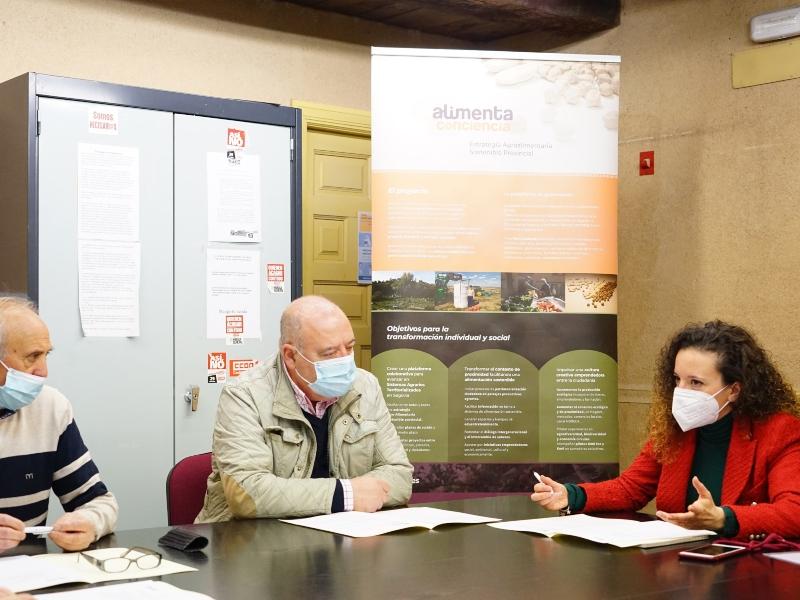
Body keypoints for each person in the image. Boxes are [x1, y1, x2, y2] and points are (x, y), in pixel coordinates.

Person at [531, 320, 800, 540]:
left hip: (747, 570)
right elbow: (631, 489)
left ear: (734, 390)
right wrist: (571, 495)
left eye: (695, 383)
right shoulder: (676, 427)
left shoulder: (780, 431)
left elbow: (794, 512)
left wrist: (723, 518)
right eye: (677, 379)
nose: (681, 392)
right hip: (679, 565)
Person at [197, 295, 413, 521]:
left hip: (341, 533)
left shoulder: (366, 386)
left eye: (349, 347)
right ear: (290, 356)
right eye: (330, 353)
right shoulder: (244, 395)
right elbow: (247, 493)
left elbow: (400, 476)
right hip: (251, 536)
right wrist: (345, 494)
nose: (345, 361)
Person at [0, 297, 118, 552]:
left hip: (29, 570)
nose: (43, 372)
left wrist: (89, 523)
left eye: (46, 355)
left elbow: (100, 503)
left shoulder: (50, 407)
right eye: (32, 357)